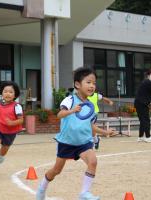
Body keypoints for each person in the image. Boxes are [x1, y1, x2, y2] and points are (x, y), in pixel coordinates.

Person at [36, 67, 112, 200]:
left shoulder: (90, 106)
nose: (92, 86)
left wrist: (105, 132)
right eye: (88, 82)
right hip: (67, 142)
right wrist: (72, 111)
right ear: (77, 84)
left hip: (83, 142)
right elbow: (59, 114)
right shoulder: (70, 100)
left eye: (94, 83)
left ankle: (84, 193)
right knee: (56, 170)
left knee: (93, 162)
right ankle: (42, 187)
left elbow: (91, 126)